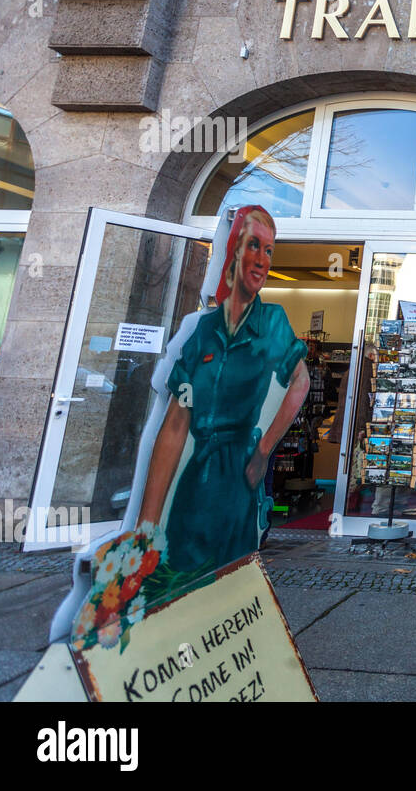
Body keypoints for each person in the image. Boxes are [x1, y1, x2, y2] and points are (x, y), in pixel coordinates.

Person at [137, 205, 310, 593]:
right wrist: (146, 525)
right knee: (173, 585)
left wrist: (264, 449)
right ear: (233, 251)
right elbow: (176, 424)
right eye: (255, 246)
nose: (263, 261)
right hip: (195, 478)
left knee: (226, 586)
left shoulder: (272, 322)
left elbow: (300, 382)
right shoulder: (201, 332)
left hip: (237, 479)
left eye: (270, 251)